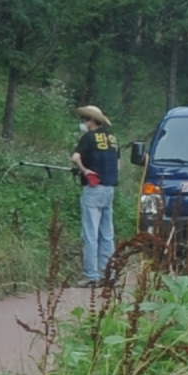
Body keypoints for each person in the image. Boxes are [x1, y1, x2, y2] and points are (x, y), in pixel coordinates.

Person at [74, 102, 124, 283]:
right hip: (109, 188)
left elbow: (76, 157)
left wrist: (85, 170)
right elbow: (118, 163)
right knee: (107, 234)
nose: (83, 122)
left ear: (91, 121)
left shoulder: (88, 137)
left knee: (90, 233)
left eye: (84, 119)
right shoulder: (113, 139)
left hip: (93, 189)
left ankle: (91, 275)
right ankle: (108, 273)